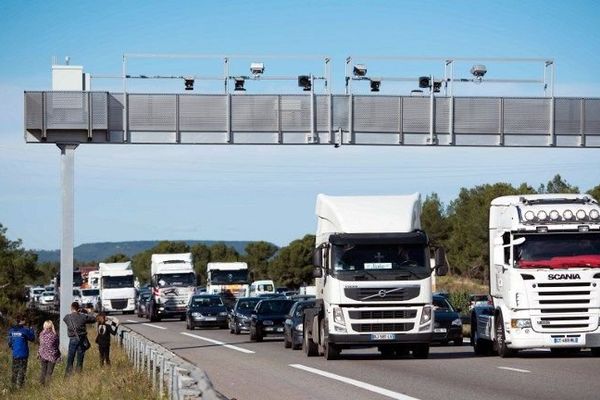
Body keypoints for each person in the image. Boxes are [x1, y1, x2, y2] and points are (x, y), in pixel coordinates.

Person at [63, 301, 96, 376]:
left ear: (71, 308)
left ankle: (68, 375)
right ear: (79, 308)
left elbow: (64, 320)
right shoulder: (83, 316)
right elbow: (93, 319)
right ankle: (78, 374)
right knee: (80, 358)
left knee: (70, 358)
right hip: (82, 339)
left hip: (72, 339)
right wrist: (86, 312)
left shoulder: (67, 317)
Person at [7, 315, 35, 389]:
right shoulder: (24, 330)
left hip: (15, 354)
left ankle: (12, 387)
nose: (25, 322)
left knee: (14, 371)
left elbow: (9, 343)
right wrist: (31, 329)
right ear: (21, 321)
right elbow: (32, 338)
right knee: (22, 370)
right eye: (24, 320)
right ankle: (21, 387)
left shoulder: (11, 330)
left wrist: (14, 346)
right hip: (23, 354)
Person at [38, 320, 60, 385]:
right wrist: (58, 354)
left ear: (44, 326)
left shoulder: (41, 334)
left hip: (42, 355)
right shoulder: (54, 335)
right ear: (51, 326)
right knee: (49, 372)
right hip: (52, 356)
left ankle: (41, 385)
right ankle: (47, 386)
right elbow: (57, 345)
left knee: (43, 371)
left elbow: (40, 344)